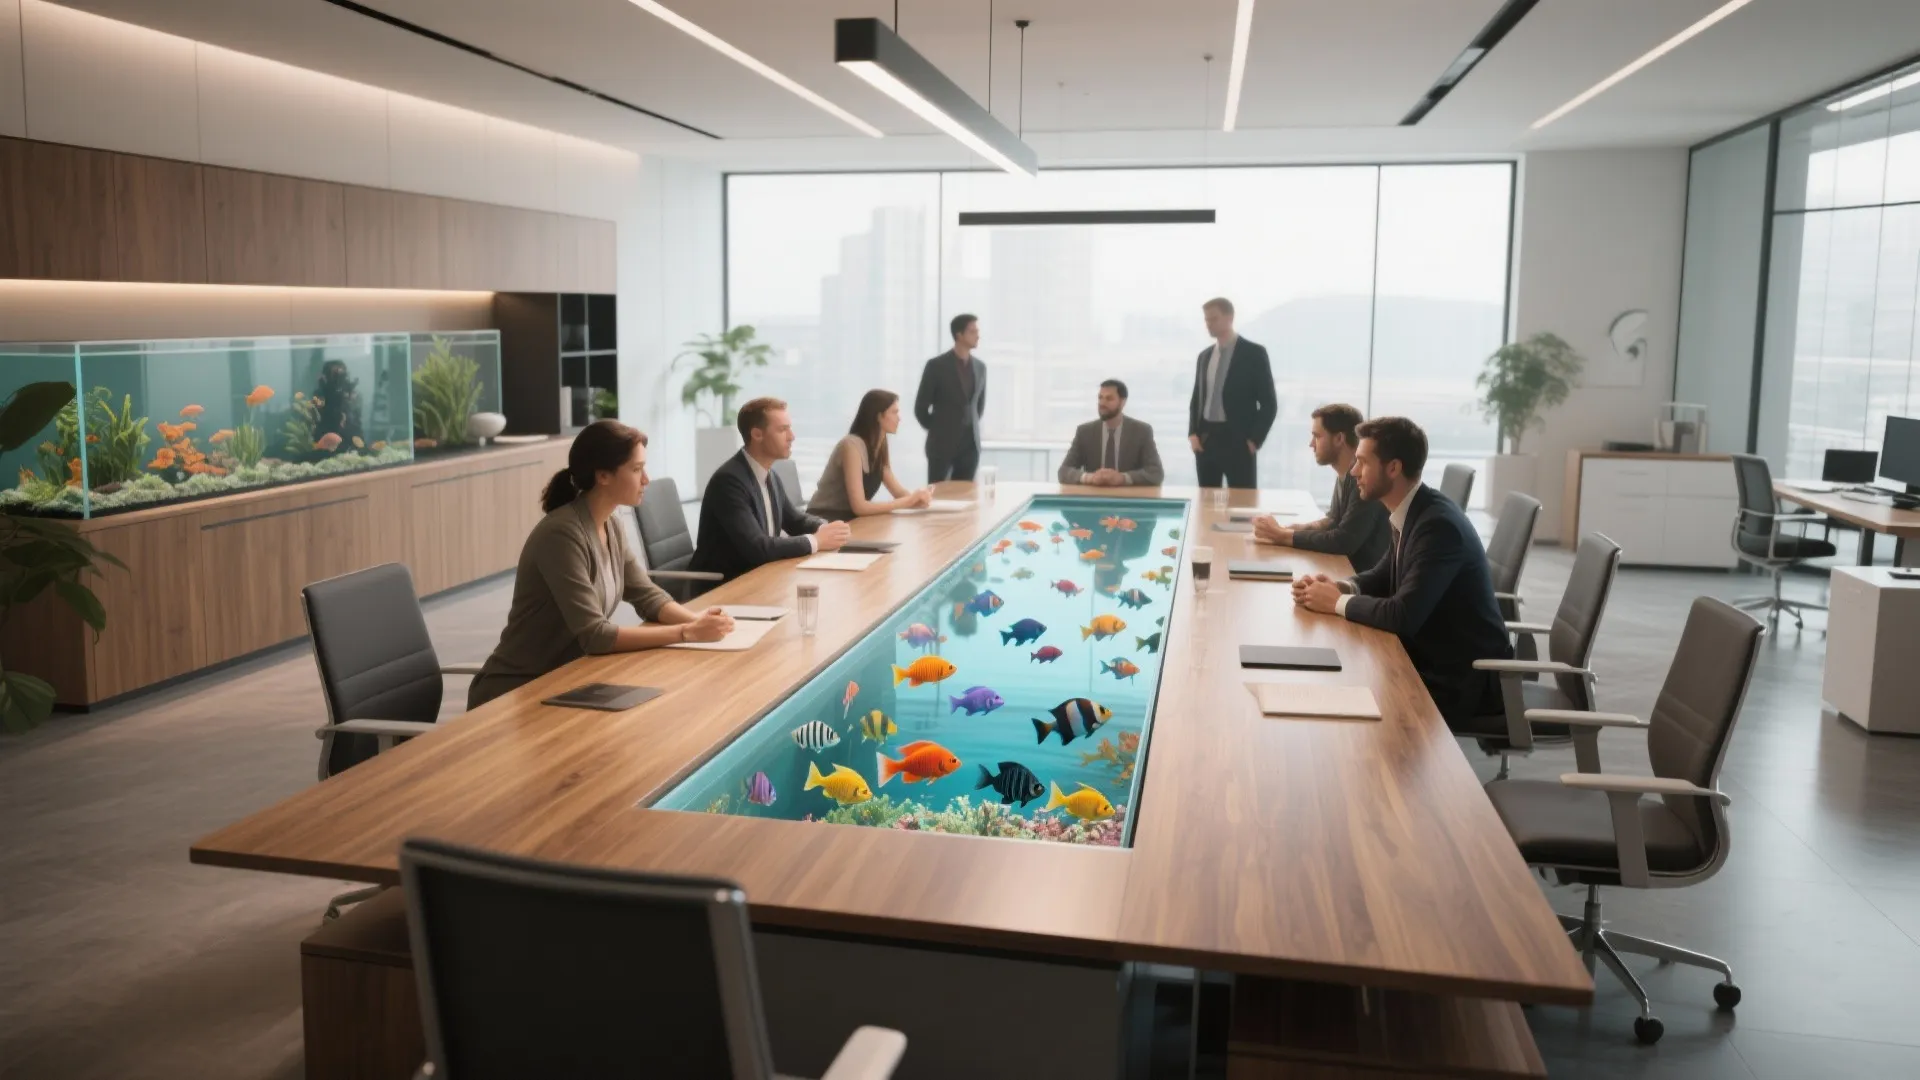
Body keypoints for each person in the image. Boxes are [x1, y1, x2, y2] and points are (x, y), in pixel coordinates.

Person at [468, 420, 734, 709]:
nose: (646, 479)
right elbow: (595, 635)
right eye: (636, 469)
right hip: (515, 692)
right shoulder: (562, 534)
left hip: (569, 679)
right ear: (603, 475)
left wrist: (696, 621)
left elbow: (648, 596)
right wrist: (686, 633)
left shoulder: (612, 525)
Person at [1290, 416, 1511, 725]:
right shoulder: (1412, 509)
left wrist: (1335, 602)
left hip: (1461, 682)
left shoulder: (1437, 526)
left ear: (1393, 468)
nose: (1354, 472)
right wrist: (1342, 587)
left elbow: (1403, 615)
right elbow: (1384, 574)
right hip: (1430, 660)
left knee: (1346, 688)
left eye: (1363, 462)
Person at [690, 396, 851, 583]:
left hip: (760, 577)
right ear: (757, 434)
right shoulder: (729, 482)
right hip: (725, 586)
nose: (792, 437)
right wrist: (817, 541)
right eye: (783, 430)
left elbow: (795, 521)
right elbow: (757, 547)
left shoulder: (770, 475)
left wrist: (826, 528)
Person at [1253, 403, 1389, 569]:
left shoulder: (1362, 479)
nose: (1311, 444)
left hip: (1360, 575)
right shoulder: (1344, 475)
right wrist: (1291, 530)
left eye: (1317, 436)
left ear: (1339, 438)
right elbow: (1333, 520)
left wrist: (1284, 536)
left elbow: (1343, 540)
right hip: (1345, 569)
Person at [1186, 297, 1276, 488]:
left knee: (1243, 502)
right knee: (1207, 500)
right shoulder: (1204, 356)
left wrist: (1254, 441)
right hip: (1206, 440)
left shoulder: (1253, 353)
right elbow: (1197, 399)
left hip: (1239, 441)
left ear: (1230, 318)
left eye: (1214, 319)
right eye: (1206, 319)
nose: (1209, 324)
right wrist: (1193, 433)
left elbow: (1269, 404)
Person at [808, 389, 935, 520]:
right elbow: (859, 507)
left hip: (849, 520)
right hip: (824, 518)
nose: (899, 418)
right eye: (894, 412)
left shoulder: (880, 446)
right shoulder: (851, 446)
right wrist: (909, 501)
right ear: (879, 416)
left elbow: (898, 492)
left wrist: (920, 499)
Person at [914, 313, 987, 482]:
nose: (977, 335)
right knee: (938, 494)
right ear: (959, 335)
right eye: (972, 331)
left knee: (966, 494)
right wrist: (938, 428)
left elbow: (978, 407)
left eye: (977, 331)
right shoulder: (936, 366)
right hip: (941, 447)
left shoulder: (980, 367)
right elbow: (920, 408)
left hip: (970, 446)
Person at [1057, 379, 1165, 487]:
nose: (1102, 403)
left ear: (1122, 402)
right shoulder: (1085, 432)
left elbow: (1156, 473)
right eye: (1100, 398)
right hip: (1093, 495)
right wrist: (1090, 477)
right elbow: (1064, 471)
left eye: (1109, 398)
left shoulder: (1141, 431)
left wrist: (1123, 478)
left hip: (1128, 495)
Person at [311, 359, 363, 449]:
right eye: (335, 375)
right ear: (326, 376)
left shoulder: (349, 393)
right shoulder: (321, 393)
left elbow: (356, 420)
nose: (338, 379)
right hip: (325, 436)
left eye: (341, 375)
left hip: (349, 436)